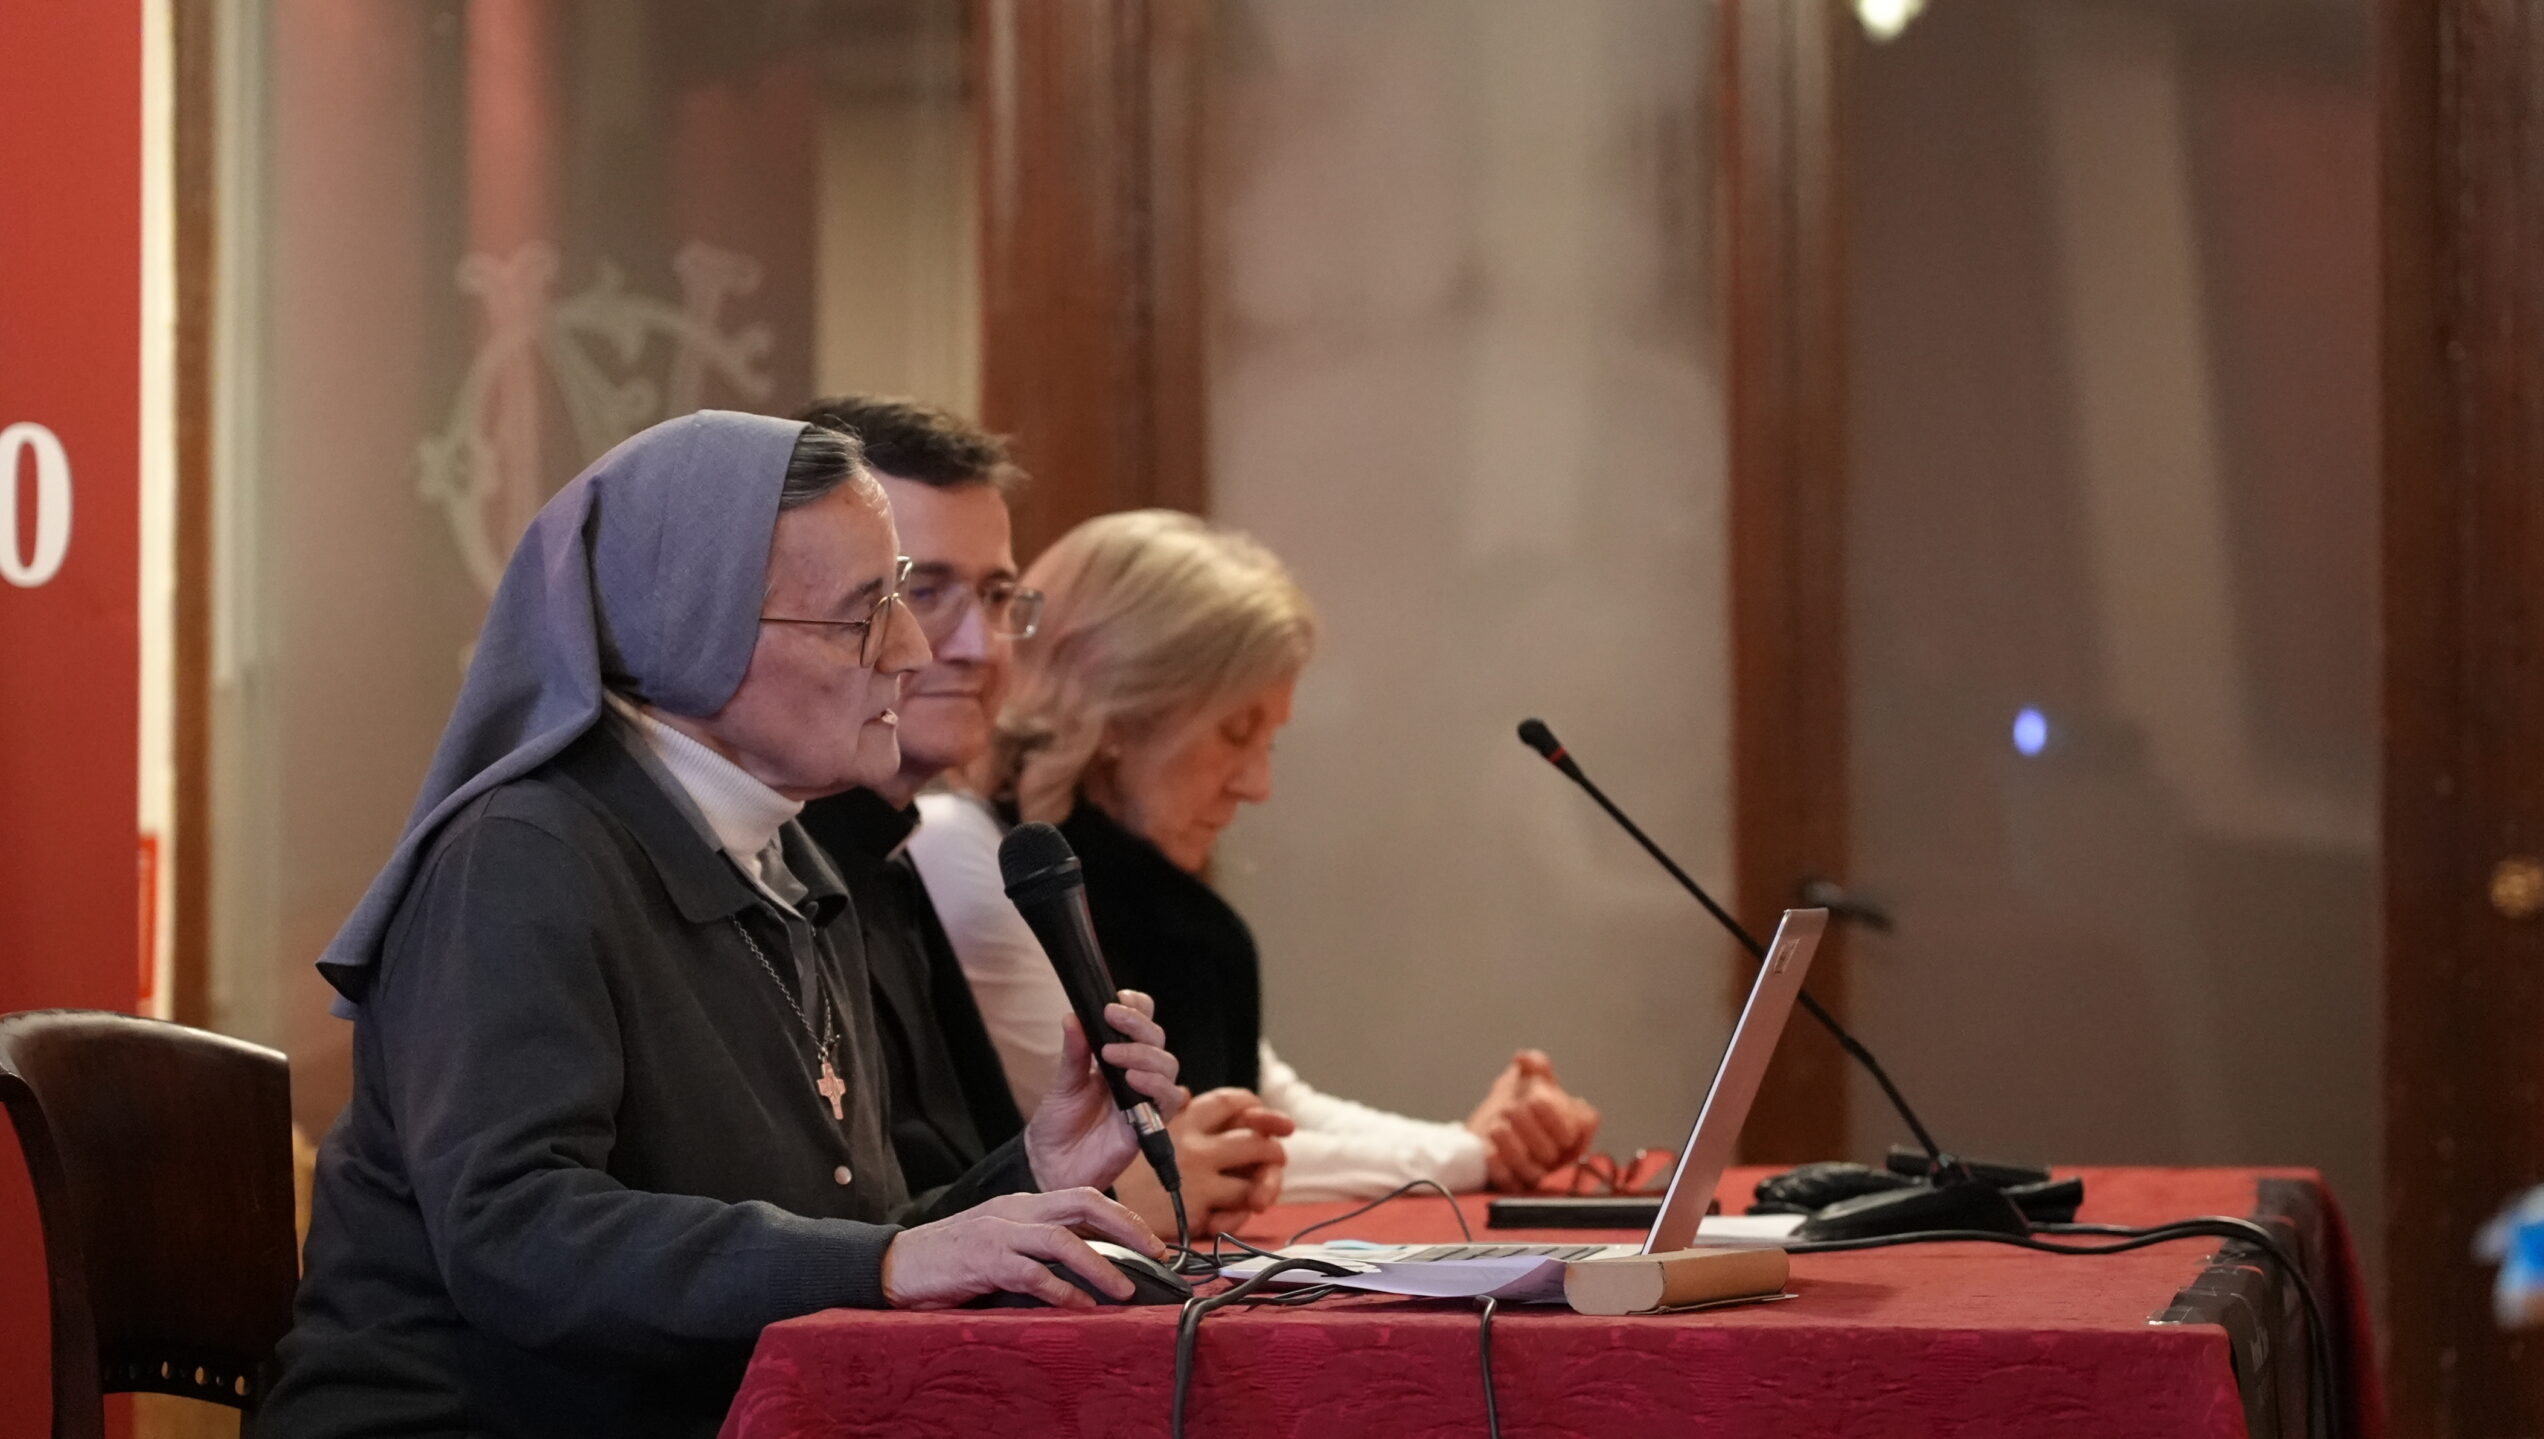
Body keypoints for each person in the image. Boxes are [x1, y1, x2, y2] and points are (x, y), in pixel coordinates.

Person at [261, 413, 1185, 1439]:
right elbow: (515, 1234)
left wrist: (1033, 1172)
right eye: (865, 612)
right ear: (691, 626)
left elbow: (838, 1243)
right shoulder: (520, 854)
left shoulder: (794, 862)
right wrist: (885, 1259)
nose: (911, 650)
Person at [910, 509, 1602, 1202]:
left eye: (1268, 741)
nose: (1258, 785)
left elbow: (1272, 1105)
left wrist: (1477, 1144)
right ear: (1120, 713)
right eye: (1235, 733)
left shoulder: (1154, 895)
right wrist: (1472, 1154)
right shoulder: (967, 850)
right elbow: (1156, 1148)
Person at [790, 395, 1290, 1237]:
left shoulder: (890, 857)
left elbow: (934, 1193)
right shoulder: (815, 859)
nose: (977, 646)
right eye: (920, 591)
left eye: (995, 595)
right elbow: (823, 1232)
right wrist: (1101, 1199)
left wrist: (1076, 1184)